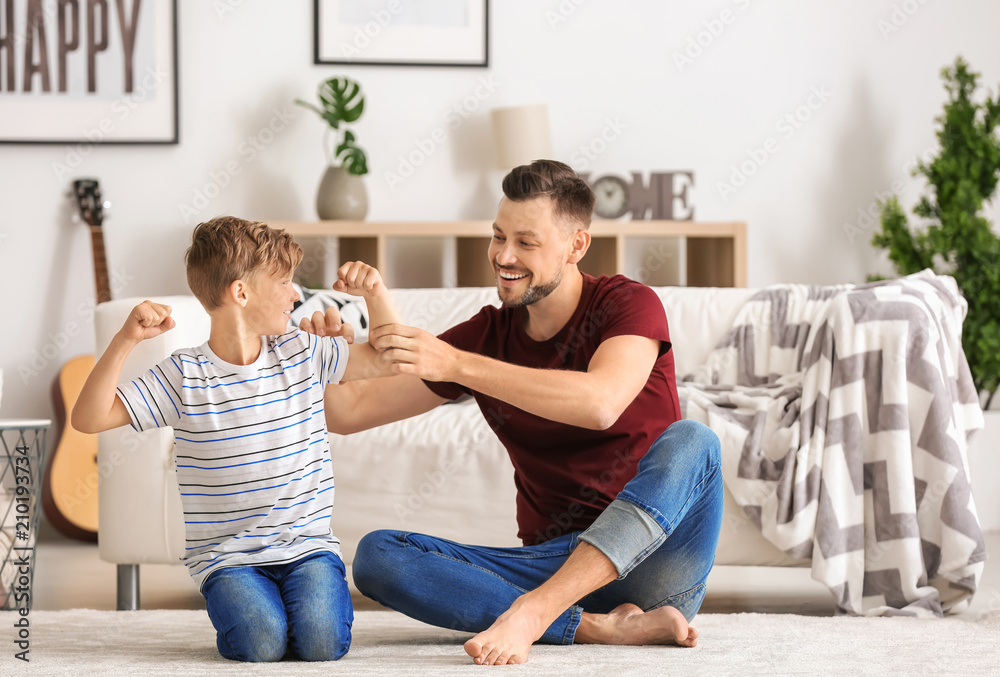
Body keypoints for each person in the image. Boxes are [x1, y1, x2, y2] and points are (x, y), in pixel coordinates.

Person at [301, 160, 724, 666]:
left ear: (577, 246)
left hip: (654, 560)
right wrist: (316, 362)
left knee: (694, 441)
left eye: (526, 242)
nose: (503, 255)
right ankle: (593, 627)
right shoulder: (487, 336)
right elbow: (347, 413)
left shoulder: (627, 304)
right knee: (378, 556)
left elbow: (600, 404)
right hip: (548, 562)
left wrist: (458, 364)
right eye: (498, 236)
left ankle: (533, 614)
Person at [72, 216, 398, 662]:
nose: (296, 294)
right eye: (284, 281)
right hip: (228, 559)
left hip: (307, 548)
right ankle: (255, 613)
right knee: (261, 642)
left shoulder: (302, 352)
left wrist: (376, 295)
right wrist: (125, 339)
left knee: (322, 640)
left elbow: (388, 360)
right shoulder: (184, 374)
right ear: (241, 293)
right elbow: (88, 418)